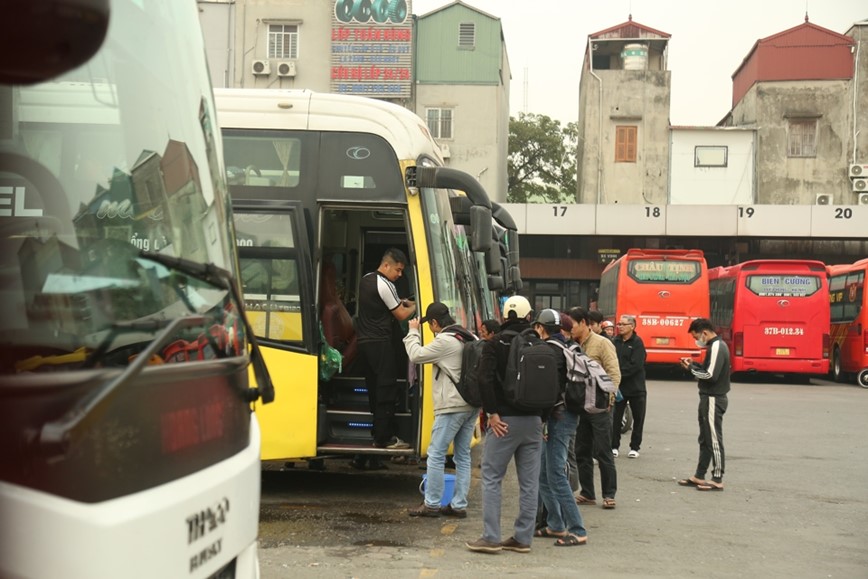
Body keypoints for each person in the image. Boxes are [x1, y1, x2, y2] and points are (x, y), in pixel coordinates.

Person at [465, 295, 546, 554]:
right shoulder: (538, 342)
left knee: (491, 477)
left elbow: (484, 379)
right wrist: (541, 418)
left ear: (505, 314)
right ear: (528, 314)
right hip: (534, 421)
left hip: (504, 423)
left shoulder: (494, 343)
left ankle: (491, 537)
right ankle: (523, 538)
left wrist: (492, 413)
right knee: (530, 482)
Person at [403, 302, 479, 518]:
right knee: (462, 455)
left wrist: (412, 331)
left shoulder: (445, 341)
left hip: (452, 406)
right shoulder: (468, 336)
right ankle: (458, 504)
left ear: (435, 323)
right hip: (471, 404)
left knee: (435, 454)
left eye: (430, 325)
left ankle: (432, 503)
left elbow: (416, 355)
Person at [353, 248, 417, 469]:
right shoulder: (385, 283)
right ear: (387, 265)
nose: (399, 275)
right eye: (398, 270)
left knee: (374, 388)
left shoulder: (366, 279)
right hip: (381, 343)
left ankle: (376, 432)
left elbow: (385, 304)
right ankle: (385, 438)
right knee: (386, 388)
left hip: (364, 343)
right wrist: (416, 306)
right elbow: (400, 314)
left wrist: (401, 302)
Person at [534, 309, 588, 547]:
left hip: (559, 417)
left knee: (555, 473)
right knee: (544, 472)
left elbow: (548, 391)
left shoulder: (550, 353)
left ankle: (577, 528)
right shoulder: (569, 348)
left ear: (540, 328)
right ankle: (556, 524)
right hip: (567, 414)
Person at [568, 306, 621, 510]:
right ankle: (588, 492)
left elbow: (614, 373)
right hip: (580, 405)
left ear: (583, 323)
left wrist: (610, 399)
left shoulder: (602, 344)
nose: (570, 329)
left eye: (572, 324)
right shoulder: (572, 345)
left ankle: (609, 494)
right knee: (581, 450)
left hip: (600, 406)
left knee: (603, 450)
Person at [678, 318, 731, 492]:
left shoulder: (716, 346)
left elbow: (710, 375)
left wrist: (690, 369)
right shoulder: (715, 346)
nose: (697, 340)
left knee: (713, 439)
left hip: (713, 398)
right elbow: (709, 369)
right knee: (705, 438)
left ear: (705, 333)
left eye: (697, 336)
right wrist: (694, 365)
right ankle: (699, 475)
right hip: (708, 398)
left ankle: (717, 478)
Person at [611, 315, 647, 459]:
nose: (620, 326)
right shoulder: (615, 341)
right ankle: (614, 446)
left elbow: (636, 365)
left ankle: (635, 447)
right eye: (619, 324)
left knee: (638, 418)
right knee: (616, 417)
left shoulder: (638, 343)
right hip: (620, 387)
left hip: (636, 387)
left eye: (623, 324)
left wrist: (618, 373)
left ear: (632, 326)